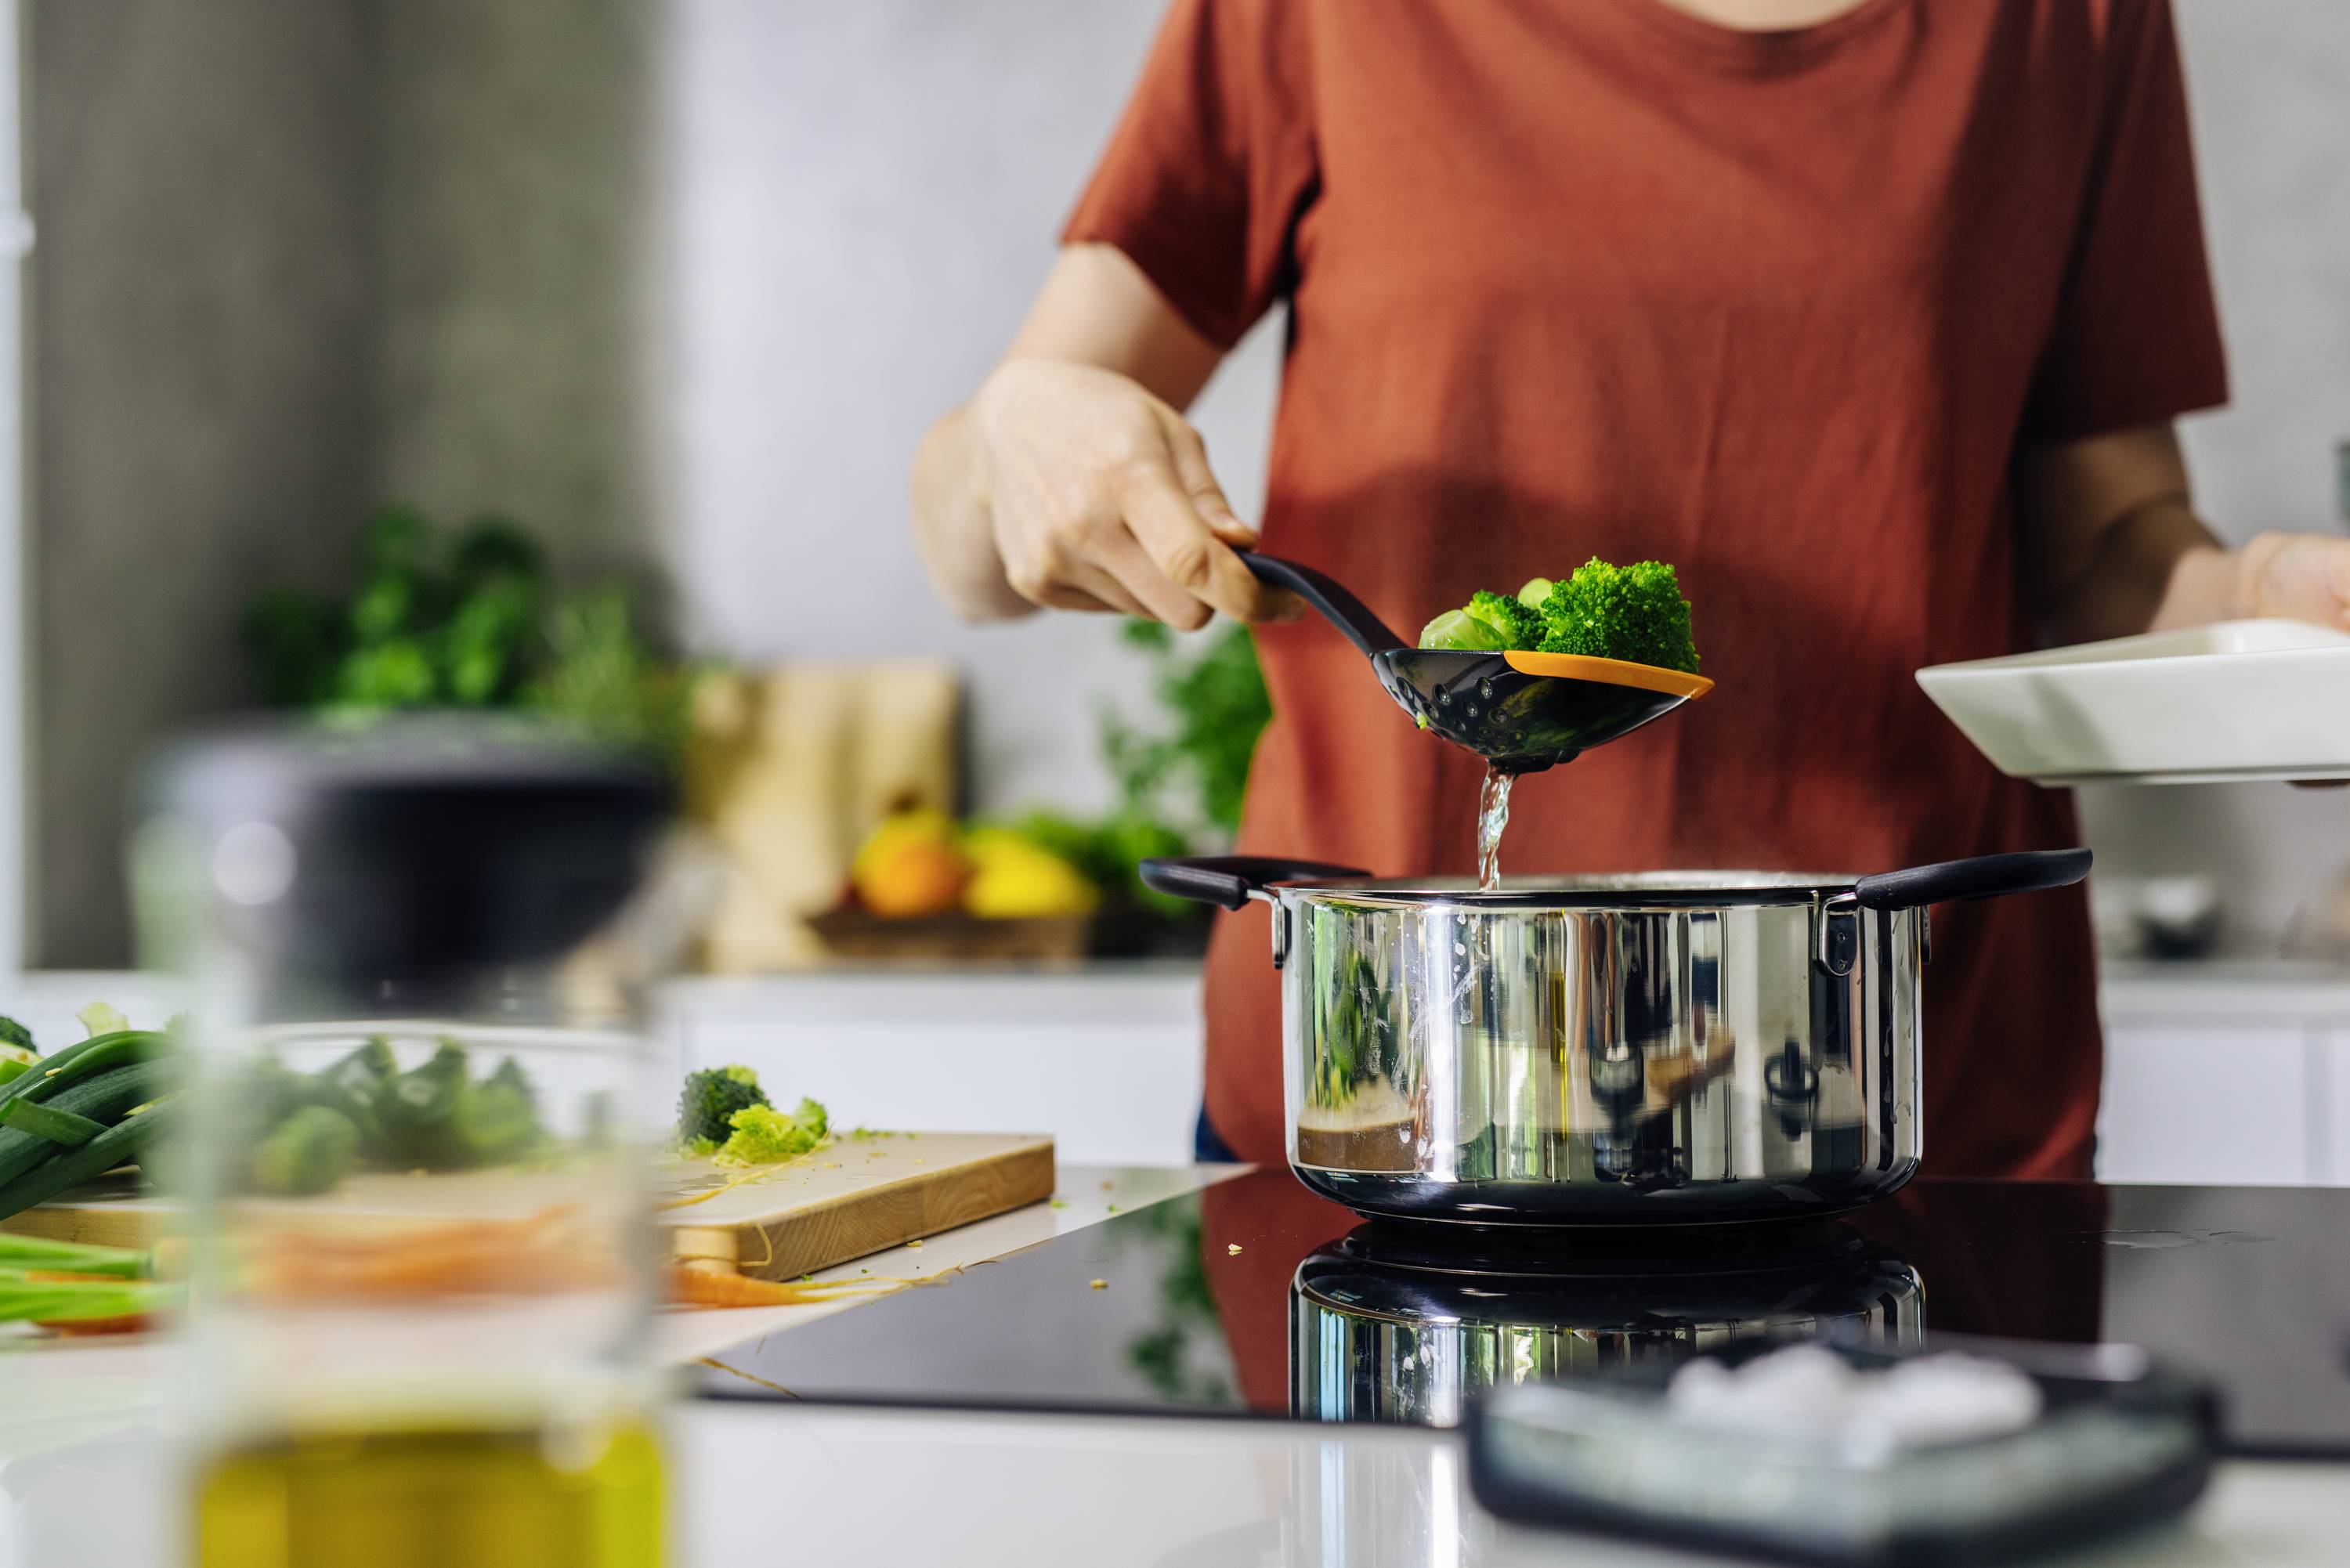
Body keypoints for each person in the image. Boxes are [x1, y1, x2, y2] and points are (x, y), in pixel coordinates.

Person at [910, 0, 2350, 1178]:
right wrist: (1011, 436)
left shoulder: (2069, 22)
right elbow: (969, 532)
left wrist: (2260, 597)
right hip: (1397, 1095)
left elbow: (2110, 551)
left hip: (1897, 1098)